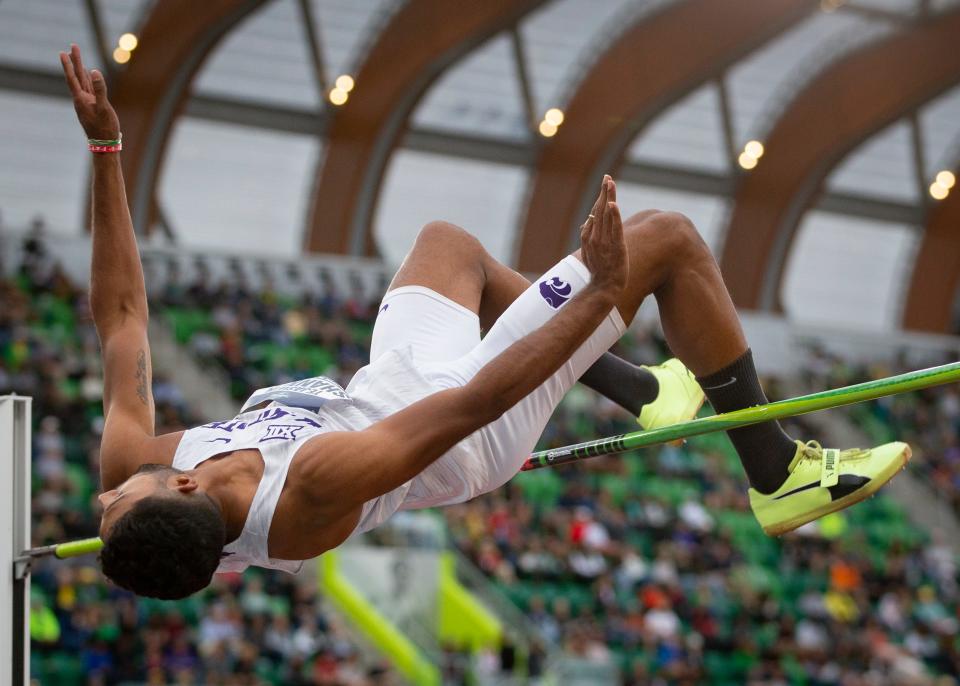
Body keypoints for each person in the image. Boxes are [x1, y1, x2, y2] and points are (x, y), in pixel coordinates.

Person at [58, 45, 910, 600]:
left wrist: (107, 151)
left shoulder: (145, 462)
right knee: (669, 243)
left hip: (387, 389)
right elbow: (470, 406)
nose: (103, 492)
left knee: (448, 244)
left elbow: (123, 315)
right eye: (112, 506)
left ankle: (646, 388)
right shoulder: (306, 494)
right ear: (182, 489)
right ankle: (777, 475)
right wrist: (594, 300)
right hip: (467, 426)